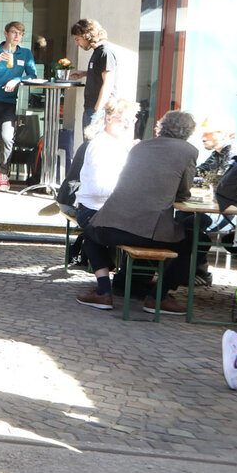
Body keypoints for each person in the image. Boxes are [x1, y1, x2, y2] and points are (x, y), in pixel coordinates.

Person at [86, 109, 199, 315]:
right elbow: (182, 192)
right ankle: (158, 297)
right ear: (189, 132)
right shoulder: (188, 151)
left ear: (161, 127)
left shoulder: (141, 146)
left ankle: (103, 291)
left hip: (110, 225)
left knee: (89, 232)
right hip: (148, 232)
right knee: (192, 240)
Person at [71, 98, 140, 309]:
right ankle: (110, 289)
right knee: (95, 232)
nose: (128, 125)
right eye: (123, 120)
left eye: (132, 120)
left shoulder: (120, 144)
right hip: (94, 209)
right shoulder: (101, 145)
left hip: (111, 210)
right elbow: (100, 189)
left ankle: (112, 288)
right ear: (109, 118)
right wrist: (130, 194)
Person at [0, 20, 38, 192]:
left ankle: (4, 175)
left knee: (6, 138)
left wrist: (17, 80)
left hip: (8, 102)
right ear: (5, 34)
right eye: (14, 32)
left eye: (20, 34)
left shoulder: (25, 54)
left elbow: (32, 75)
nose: (17, 36)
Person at [69, 18, 116, 130]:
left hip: (99, 110)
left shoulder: (105, 52)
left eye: (77, 39)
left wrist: (97, 110)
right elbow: (99, 73)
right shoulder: (97, 51)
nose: (77, 43)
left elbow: (108, 83)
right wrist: (84, 73)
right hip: (91, 108)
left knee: (92, 144)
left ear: (87, 36)